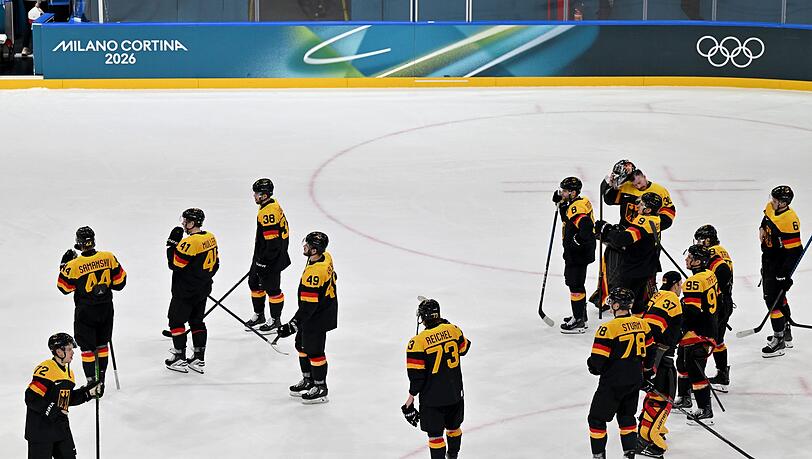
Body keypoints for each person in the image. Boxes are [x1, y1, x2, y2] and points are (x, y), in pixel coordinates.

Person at [57, 227, 126, 389]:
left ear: (79, 243)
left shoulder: (74, 265)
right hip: (106, 310)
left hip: (86, 312)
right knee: (102, 345)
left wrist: (64, 265)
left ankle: (91, 382)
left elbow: (64, 288)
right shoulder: (109, 257)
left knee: (87, 349)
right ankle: (101, 380)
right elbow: (120, 283)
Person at [401, 298, 471, 459]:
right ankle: (453, 456)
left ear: (423, 317)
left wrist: (409, 400)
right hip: (455, 394)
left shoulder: (417, 342)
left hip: (433, 400)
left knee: (435, 436)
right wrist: (445, 325)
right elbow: (465, 348)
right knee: (454, 428)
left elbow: (417, 378)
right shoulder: (453, 330)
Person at [587, 287, 651, 459]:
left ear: (616, 305)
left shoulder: (608, 328)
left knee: (596, 419)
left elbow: (597, 362)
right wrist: (646, 374)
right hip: (634, 380)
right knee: (627, 417)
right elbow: (651, 354)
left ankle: (598, 456)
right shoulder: (643, 324)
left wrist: (592, 366)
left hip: (613, 382)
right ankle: (629, 455)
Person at [276, 231, 337, 404]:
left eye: (308, 245)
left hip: (318, 316)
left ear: (315, 249)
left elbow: (309, 306)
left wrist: (292, 325)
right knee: (301, 346)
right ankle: (308, 380)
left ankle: (320, 387)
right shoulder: (325, 257)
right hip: (317, 311)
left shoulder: (315, 273)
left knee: (315, 352)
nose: (304, 247)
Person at [25, 332, 101, 459]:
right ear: (59, 352)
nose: (73, 352)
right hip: (41, 431)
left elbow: (66, 399)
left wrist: (87, 393)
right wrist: (53, 410)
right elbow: (31, 398)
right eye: (69, 349)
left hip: (60, 428)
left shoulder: (69, 373)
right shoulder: (46, 369)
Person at [164, 208, 219, 373]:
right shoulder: (210, 237)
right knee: (197, 322)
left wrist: (171, 245)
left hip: (185, 291)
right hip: (202, 290)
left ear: (193, 222)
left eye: (186, 220)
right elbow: (216, 264)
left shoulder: (189, 243)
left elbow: (174, 264)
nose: (183, 223)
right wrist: (202, 280)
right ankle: (198, 358)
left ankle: (179, 357)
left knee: (175, 321)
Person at [636, 271, 683, 458]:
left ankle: (648, 429)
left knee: (654, 395)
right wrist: (652, 364)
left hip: (651, 356)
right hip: (660, 357)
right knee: (664, 398)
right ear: (677, 284)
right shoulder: (672, 299)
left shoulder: (657, 295)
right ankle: (646, 439)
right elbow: (654, 329)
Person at [595, 192, 662, 314]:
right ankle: (639, 323)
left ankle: (625, 325)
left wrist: (607, 230)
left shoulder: (643, 221)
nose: (638, 206)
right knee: (638, 301)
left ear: (648, 210)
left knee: (624, 301)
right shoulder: (655, 218)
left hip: (635, 268)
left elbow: (622, 240)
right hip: (647, 266)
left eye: (641, 204)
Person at [673, 245, 719, 425]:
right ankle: (684, 397)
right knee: (682, 362)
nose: (686, 260)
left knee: (695, 368)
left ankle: (704, 409)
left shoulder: (693, 282)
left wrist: (681, 328)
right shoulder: (709, 275)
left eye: (690, 257)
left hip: (698, 332)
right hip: (707, 328)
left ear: (698, 261)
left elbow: (692, 312)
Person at [760, 185, 802, 358]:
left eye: (776, 200)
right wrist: (761, 229)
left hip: (779, 263)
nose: (772, 202)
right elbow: (765, 221)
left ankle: (779, 340)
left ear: (784, 203)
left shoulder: (790, 220)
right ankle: (785, 331)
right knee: (779, 298)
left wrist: (785, 274)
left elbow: (795, 252)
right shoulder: (771, 208)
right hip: (768, 259)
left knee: (772, 301)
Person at [245, 178, 292, 335]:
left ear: (264, 195)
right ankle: (259, 315)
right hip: (262, 255)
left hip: (272, 257)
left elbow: (273, 244)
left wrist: (264, 262)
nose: (254, 196)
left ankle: (275, 320)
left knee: (272, 289)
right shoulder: (270, 204)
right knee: (254, 283)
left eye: (257, 193)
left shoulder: (268, 212)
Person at [693, 225, 734, 391]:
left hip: (717, 303)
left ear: (707, 240)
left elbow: (721, 276)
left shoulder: (712, 254)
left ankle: (698, 379)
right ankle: (722, 373)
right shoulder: (721, 250)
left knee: (705, 339)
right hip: (725, 301)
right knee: (718, 340)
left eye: (700, 240)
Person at [553, 176, 596, 333]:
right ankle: (580, 314)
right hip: (581, 252)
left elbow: (586, 225)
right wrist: (562, 203)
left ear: (573, 192)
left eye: (564, 191)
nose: (562, 193)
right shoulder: (579, 201)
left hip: (578, 253)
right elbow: (568, 217)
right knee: (578, 283)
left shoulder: (576, 208)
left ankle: (578, 321)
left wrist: (578, 240)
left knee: (575, 285)